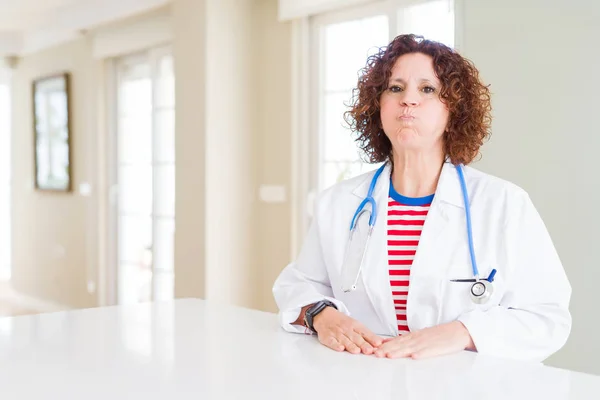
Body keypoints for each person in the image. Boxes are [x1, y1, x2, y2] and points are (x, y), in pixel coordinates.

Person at [272, 34, 571, 362]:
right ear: (378, 106)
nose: (408, 100)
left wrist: (462, 331)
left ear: (453, 109)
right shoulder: (339, 204)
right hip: (361, 381)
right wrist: (322, 315)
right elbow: (298, 286)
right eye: (395, 88)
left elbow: (547, 316)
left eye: (427, 89)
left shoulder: (503, 204)